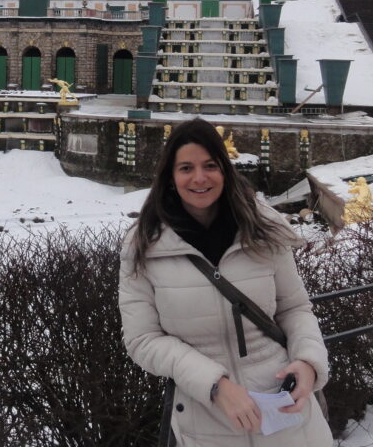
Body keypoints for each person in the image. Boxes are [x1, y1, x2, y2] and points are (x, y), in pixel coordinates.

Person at [119, 118, 332, 446]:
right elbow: (142, 339)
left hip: (286, 413)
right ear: (170, 178)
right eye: (186, 168)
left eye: (210, 166)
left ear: (225, 170)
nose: (200, 178)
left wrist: (307, 362)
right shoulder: (144, 245)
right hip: (206, 419)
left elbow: (295, 308)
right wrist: (215, 384)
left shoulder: (263, 229)